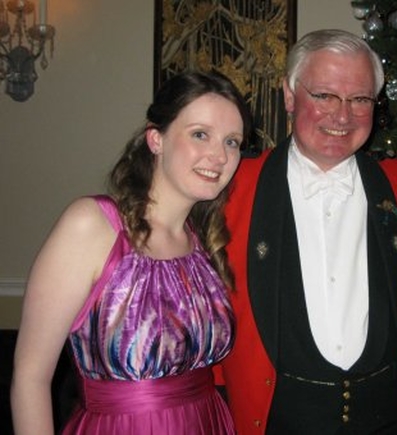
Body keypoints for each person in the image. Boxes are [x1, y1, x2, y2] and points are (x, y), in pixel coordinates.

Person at [215, 29, 397, 434]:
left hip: (393, 420)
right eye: (325, 96)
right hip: (274, 421)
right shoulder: (228, 186)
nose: (343, 115)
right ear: (289, 96)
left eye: (360, 99)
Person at [10, 70, 251, 434]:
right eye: (200, 134)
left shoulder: (202, 242)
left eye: (232, 141)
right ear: (156, 139)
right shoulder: (92, 225)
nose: (219, 155)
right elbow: (30, 378)